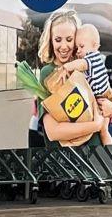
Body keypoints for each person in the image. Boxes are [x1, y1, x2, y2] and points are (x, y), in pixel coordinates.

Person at [33, 8, 105, 148]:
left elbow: (103, 97)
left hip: (91, 152)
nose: (64, 46)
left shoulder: (87, 66)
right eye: (58, 40)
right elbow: (53, 132)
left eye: (69, 39)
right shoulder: (48, 73)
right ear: (51, 41)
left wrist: (110, 106)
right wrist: (95, 125)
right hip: (62, 157)